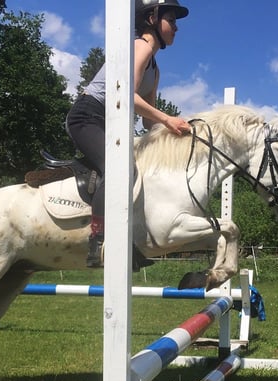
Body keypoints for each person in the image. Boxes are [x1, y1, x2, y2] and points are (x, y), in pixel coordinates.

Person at [65, 0, 193, 268]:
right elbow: (124, 96)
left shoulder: (154, 69)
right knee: (120, 170)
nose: (177, 28)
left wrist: (180, 132)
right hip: (87, 116)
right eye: (172, 19)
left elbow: (148, 121)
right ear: (152, 20)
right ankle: (99, 241)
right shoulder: (140, 47)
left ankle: (127, 240)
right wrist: (169, 120)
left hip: (107, 121)